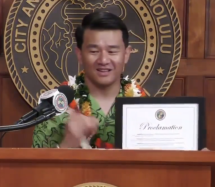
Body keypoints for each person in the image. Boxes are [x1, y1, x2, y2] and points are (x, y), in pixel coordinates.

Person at [32, 11, 146, 149]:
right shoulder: (55, 106)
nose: (103, 60)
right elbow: (38, 169)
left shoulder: (143, 104)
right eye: (94, 51)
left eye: (112, 51)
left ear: (126, 54)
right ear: (79, 54)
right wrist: (69, 143)